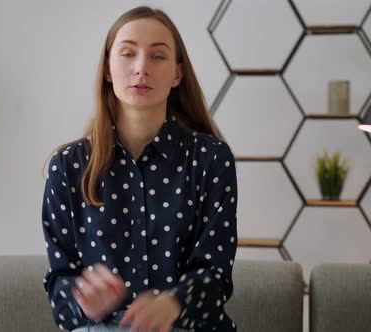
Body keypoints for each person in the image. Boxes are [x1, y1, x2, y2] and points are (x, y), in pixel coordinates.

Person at [41, 6, 238, 332]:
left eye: (158, 56)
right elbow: (59, 285)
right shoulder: (68, 167)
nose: (141, 67)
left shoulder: (211, 159)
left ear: (177, 74)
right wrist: (83, 301)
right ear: (107, 69)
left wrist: (174, 303)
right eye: (127, 53)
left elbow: (216, 274)